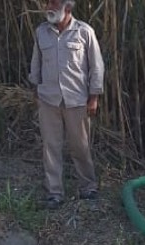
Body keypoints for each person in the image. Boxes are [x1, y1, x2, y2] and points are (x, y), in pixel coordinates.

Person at [29, 0, 104, 210]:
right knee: (51, 146)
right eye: (48, 4)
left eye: (54, 3)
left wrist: (94, 96)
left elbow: (96, 66)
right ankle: (54, 193)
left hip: (76, 101)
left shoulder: (84, 32)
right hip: (48, 99)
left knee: (80, 145)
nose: (49, 8)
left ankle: (88, 187)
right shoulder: (41, 32)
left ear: (67, 7)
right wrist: (35, 87)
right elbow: (36, 61)